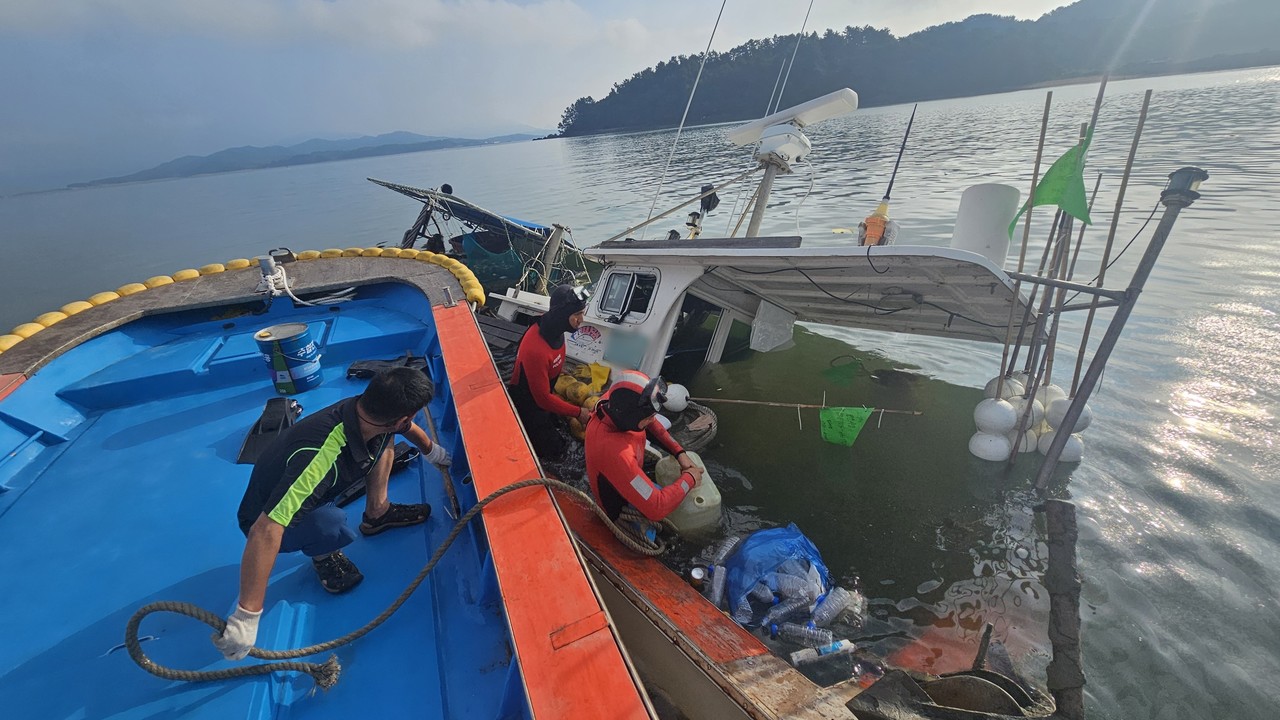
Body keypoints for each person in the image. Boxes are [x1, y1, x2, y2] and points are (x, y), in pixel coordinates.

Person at [213, 367, 452, 661]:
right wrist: (246, 616)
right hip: (265, 517)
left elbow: (405, 428)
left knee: (383, 441)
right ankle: (323, 555)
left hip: (319, 487)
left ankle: (378, 512)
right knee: (331, 524)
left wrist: (433, 452)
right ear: (402, 416)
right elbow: (265, 529)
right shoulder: (320, 458)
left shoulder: (366, 409)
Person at [585, 370, 703, 524]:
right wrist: (690, 478)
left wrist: (679, 452)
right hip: (619, 506)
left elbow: (652, 424)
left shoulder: (615, 401)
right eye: (649, 417)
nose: (652, 420)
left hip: (627, 471)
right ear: (631, 418)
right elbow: (657, 508)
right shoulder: (616, 454)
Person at [508, 284, 593, 459]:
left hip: (544, 394)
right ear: (562, 314)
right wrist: (578, 412)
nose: (582, 319)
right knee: (556, 454)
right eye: (577, 314)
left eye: (582, 313)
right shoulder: (536, 348)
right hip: (528, 405)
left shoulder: (555, 328)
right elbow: (543, 399)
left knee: (561, 429)